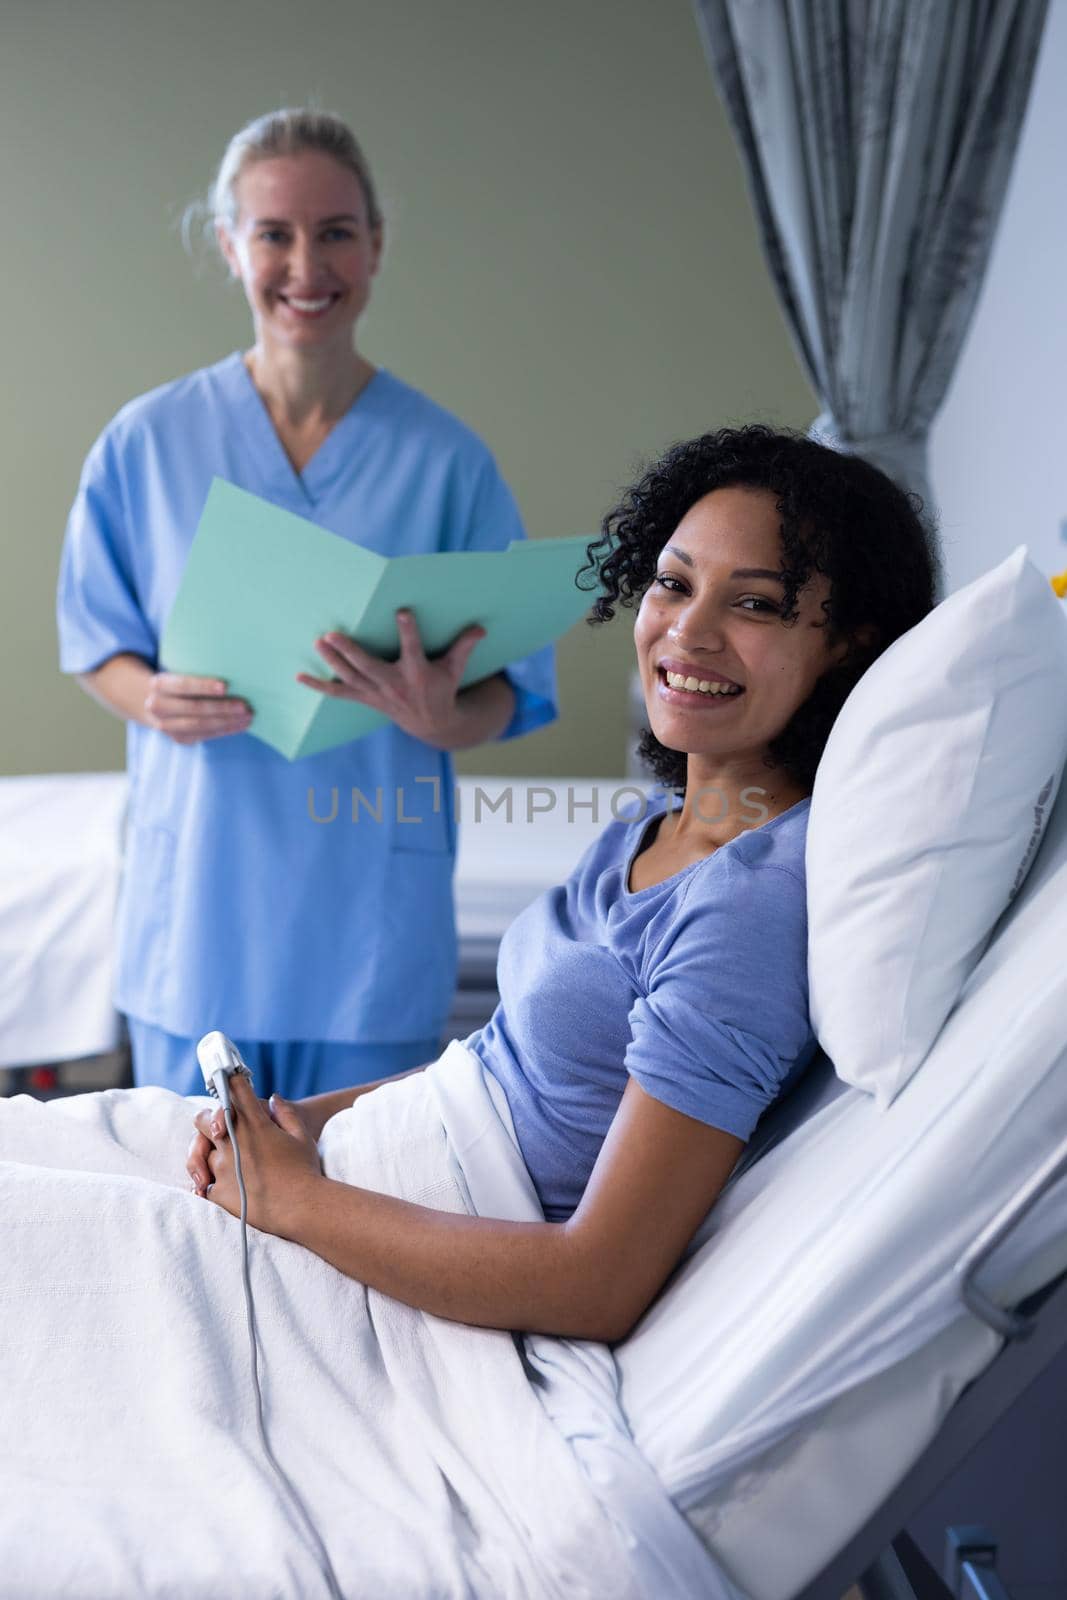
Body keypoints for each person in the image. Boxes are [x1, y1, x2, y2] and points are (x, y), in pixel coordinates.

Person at [179, 422, 939, 1341]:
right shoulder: (649, 829)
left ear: (848, 648)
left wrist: (295, 1201)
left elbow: (597, 1284)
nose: (687, 633)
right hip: (361, 1173)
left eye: (757, 605)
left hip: (399, 1234)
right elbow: (511, 1067)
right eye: (673, 583)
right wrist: (306, 1121)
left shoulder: (744, 906)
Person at [55, 108, 557, 1103]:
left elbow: (512, 688)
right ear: (228, 245)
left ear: (374, 245)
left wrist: (442, 714)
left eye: (334, 232)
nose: (304, 264)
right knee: (190, 1215)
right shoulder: (145, 444)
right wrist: (149, 698)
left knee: (360, 1216)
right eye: (275, 234)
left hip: (365, 933)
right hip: (196, 913)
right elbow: (94, 640)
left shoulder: (444, 459)